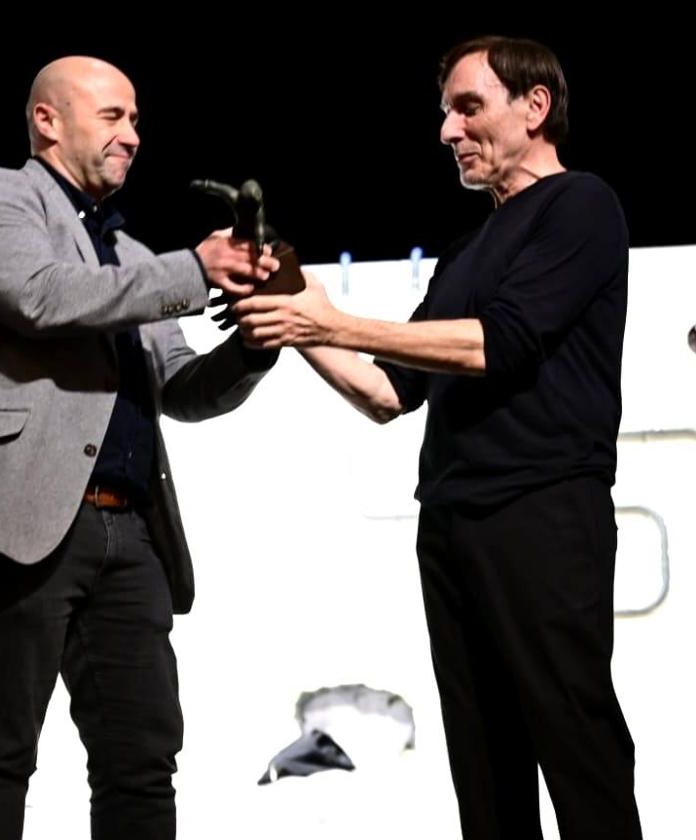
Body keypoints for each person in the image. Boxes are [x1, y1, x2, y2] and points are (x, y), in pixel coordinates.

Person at [234, 36, 641, 840]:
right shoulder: (466, 251)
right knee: (483, 765)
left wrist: (337, 318)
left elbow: (502, 343)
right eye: (445, 114)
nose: (448, 131)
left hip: (542, 511)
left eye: (468, 107)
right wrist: (294, 315)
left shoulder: (581, 204)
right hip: (452, 525)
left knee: (574, 739)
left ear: (536, 107)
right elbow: (390, 392)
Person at [0, 56, 280, 840]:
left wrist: (257, 342)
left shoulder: (133, 258)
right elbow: (44, 296)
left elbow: (180, 386)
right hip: (14, 517)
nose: (132, 135)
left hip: (128, 532)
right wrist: (196, 270)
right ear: (47, 121)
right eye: (112, 117)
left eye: (136, 120)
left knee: (143, 759)